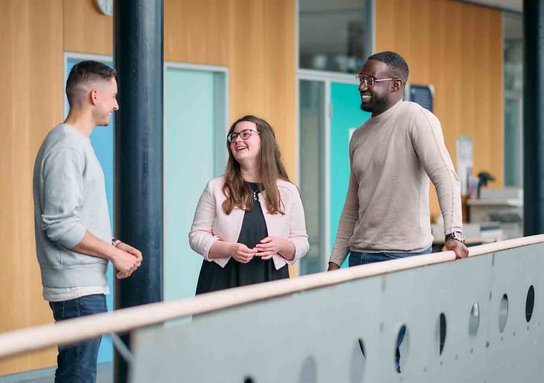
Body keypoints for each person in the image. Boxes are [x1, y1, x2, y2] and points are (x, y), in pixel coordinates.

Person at [33, 60, 143, 383]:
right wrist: (113, 255)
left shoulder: (76, 143)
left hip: (84, 284)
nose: (117, 105)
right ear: (95, 95)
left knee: (77, 381)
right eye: (113, 97)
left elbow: (78, 218)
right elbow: (61, 226)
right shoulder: (66, 146)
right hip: (76, 289)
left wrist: (115, 244)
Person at [328, 51, 468, 272]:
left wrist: (453, 234)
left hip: (404, 256)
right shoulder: (359, 136)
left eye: (370, 80)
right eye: (361, 79)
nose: (362, 86)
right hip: (359, 256)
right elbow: (352, 205)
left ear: (396, 85)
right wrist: (335, 261)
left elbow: (445, 177)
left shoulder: (416, 118)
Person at [189, 115, 309, 294]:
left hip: (271, 280)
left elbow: (301, 241)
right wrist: (230, 249)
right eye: (233, 136)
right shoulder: (215, 187)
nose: (237, 140)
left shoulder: (288, 191)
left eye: (245, 134)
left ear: (265, 140)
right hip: (221, 281)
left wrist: (281, 245)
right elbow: (196, 236)